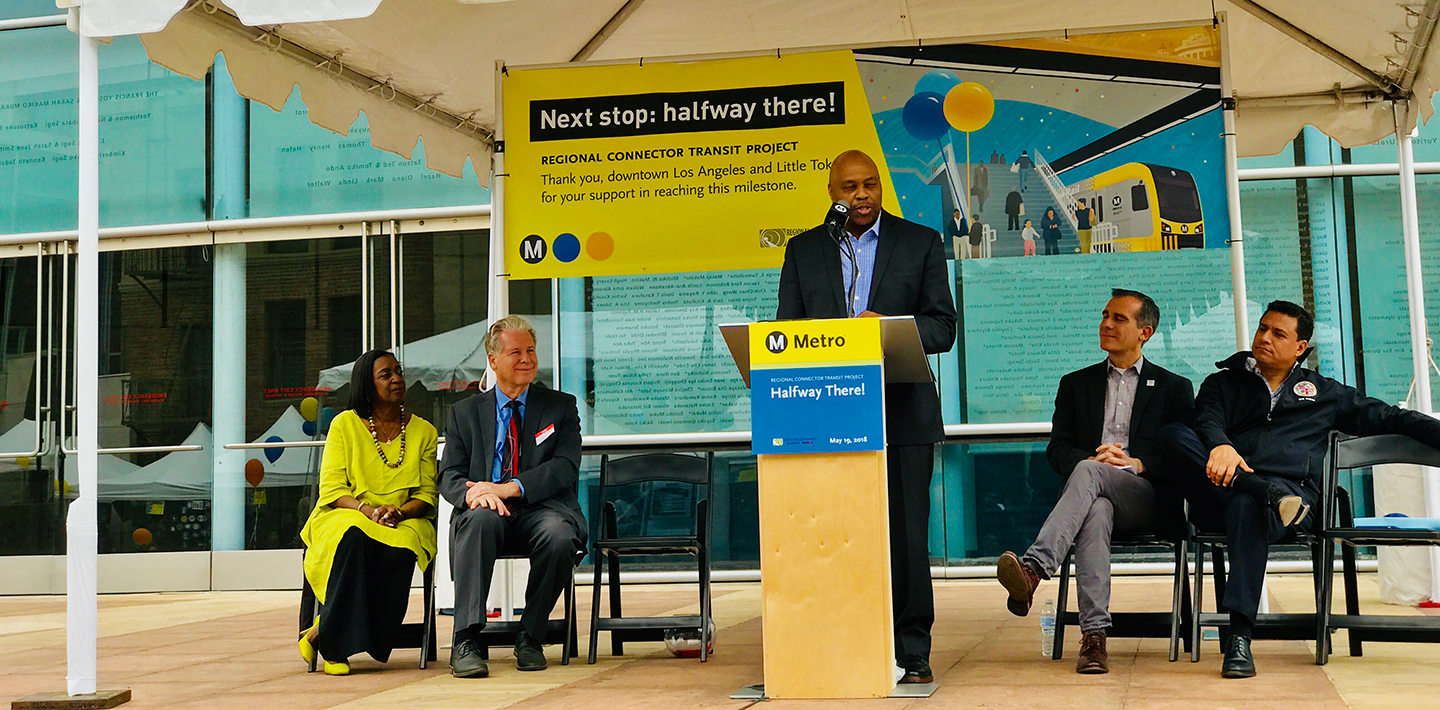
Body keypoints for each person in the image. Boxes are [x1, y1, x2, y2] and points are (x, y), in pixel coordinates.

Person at [1160, 301, 1440, 679]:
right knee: (1174, 435)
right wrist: (1221, 445)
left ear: (1300, 347)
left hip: (1291, 502)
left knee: (1246, 506)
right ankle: (1260, 489)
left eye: (1278, 334)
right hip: (1219, 491)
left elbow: (1390, 417)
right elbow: (1207, 421)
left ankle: (1240, 636)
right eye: (1262, 328)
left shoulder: (1324, 393)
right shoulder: (1223, 382)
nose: (1265, 338)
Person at [777, 149, 957, 684]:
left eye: (870, 184)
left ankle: (912, 649)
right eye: (850, 187)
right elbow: (786, 332)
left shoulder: (920, 241)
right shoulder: (804, 250)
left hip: (902, 413)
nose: (861, 195)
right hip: (826, 412)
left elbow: (942, 327)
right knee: (830, 534)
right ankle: (839, 641)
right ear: (833, 193)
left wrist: (888, 327)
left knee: (907, 538)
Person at [996, 290, 1194, 673]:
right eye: (1105, 315)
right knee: (1096, 507)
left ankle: (1034, 569)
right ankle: (1094, 640)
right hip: (1091, 497)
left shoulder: (1174, 387)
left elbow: (1184, 455)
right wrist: (1090, 460)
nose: (1106, 324)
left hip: (1146, 497)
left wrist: (1136, 463)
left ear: (1145, 332)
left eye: (1119, 318)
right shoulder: (1076, 384)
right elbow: (1057, 450)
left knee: (1090, 476)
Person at [441, 316, 586, 679]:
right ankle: (466, 639)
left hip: (542, 508)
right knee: (477, 521)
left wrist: (509, 488)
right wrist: (476, 494)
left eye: (531, 351)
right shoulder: (464, 413)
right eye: (516, 352)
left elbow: (565, 466)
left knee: (559, 536)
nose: (526, 359)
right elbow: (449, 475)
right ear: (493, 360)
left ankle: (531, 636)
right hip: (485, 510)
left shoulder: (560, 407)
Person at [298, 350, 439, 676]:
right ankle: (334, 647)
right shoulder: (344, 425)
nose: (397, 379)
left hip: (402, 518)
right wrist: (368, 509)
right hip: (347, 511)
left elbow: (426, 495)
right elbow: (333, 490)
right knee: (353, 535)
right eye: (386, 375)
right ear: (366, 383)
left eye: (398, 372)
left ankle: (320, 632)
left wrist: (398, 513)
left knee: (403, 546)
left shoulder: (424, 432)